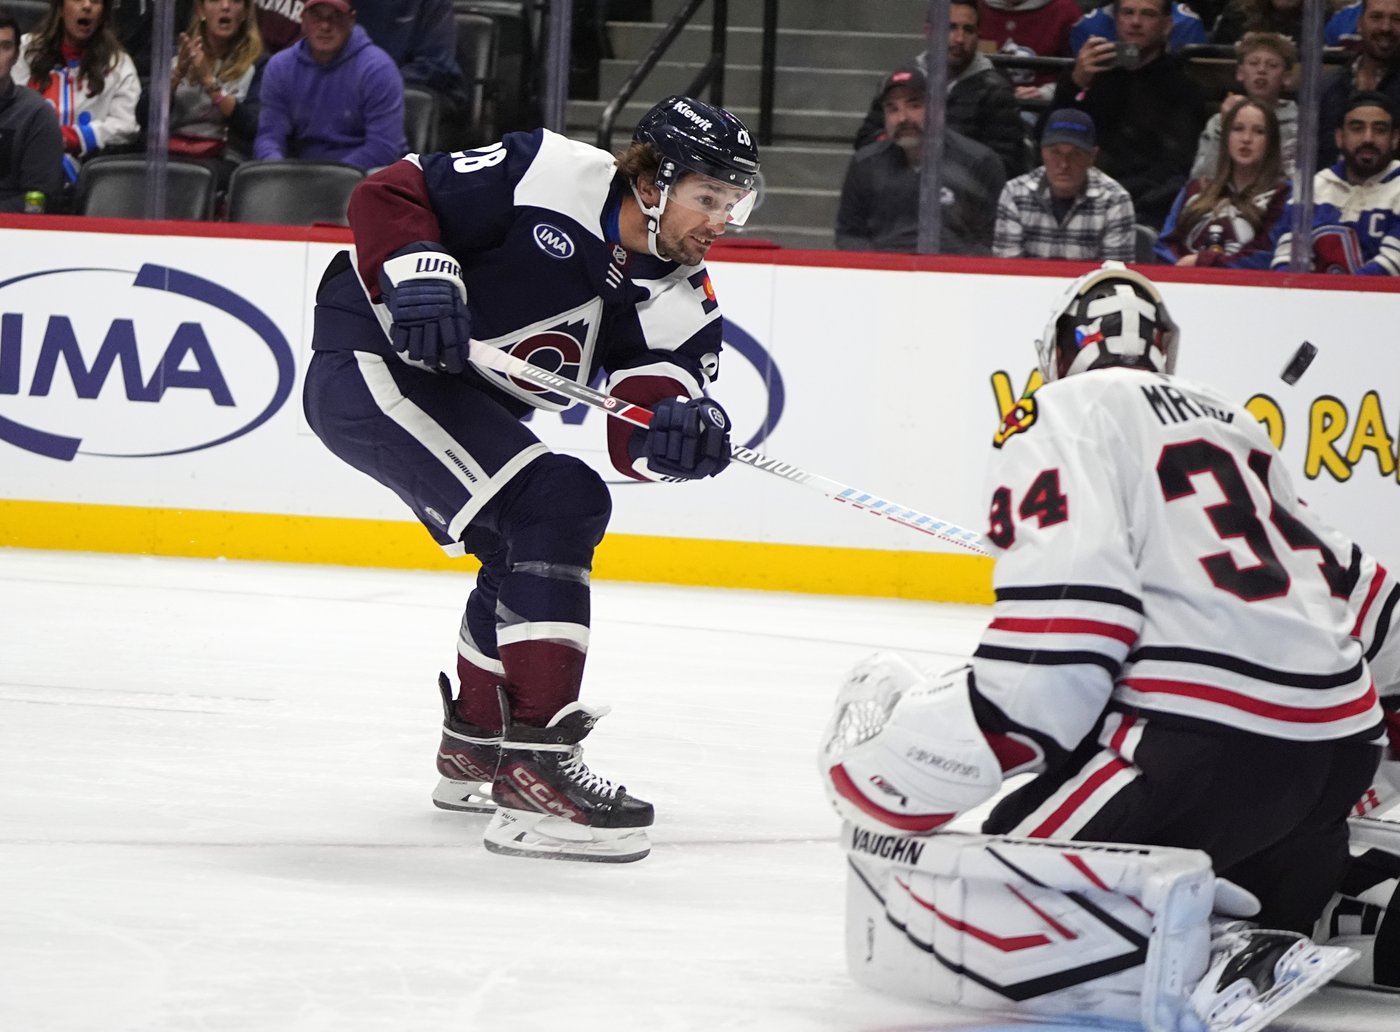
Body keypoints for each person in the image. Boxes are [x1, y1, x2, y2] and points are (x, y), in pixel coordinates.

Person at [820, 262, 1392, 999]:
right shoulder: (1238, 425)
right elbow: (1372, 599)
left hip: (1195, 750)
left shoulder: (1059, 410)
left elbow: (1068, 630)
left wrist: (923, 765)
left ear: (1059, 351)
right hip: (1336, 752)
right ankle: (1292, 900)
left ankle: (1191, 935)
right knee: (1277, 857)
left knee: (990, 888)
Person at [300, 95, 759, 864]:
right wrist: (420, 276)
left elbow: (638, 427)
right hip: (369, 365)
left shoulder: (681, 297)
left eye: (733, 202)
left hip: (459, 399)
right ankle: (535, 771)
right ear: (653, 182)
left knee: (537, 525)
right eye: (707, 197)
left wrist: (680, 435)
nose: (721, 220)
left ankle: (477, 744)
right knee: (556, 501)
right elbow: (387, 192)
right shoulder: (548, 173)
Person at [1050, 0, 1205, 229]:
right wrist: (1073, 84)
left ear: (1167, 25)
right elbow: (1049, 136)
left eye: (1147, 14)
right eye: (1127, 13)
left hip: (1147, 206)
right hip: (1082, 191)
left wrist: (1118, 197)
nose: (1135, 22)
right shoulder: (1092, 75)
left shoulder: (1183, 88)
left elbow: (1177, 166)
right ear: (1116, 20)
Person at [837, 66, 1005, 254]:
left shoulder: (979, 162)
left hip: (952, 275)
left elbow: (992, 240)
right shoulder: (865, 163)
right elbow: (848, 234)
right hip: (885, 273)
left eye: (914, 105)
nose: (903, 118)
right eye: (892, 109)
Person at [852, 0, 1026, 179]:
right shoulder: (899, 82)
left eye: (968, 30)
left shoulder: (996, 90)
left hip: (965, 197)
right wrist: (902, 145)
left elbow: (1005, 165)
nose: (959, 38)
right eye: (950, 27)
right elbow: (865, 142)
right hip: (899, 187)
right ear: (928, 31)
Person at [253, 0, 404, 170]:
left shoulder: (378, 69)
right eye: (316, 15)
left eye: (336, 16)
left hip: (363, 173)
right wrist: (276, 169)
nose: (325, 25)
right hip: (301, 174)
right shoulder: (279, 67)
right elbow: (269, 137)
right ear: (303, 20)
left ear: (351, 20)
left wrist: (331, 180)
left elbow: (383, 148)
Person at [13, 0, 141, 188]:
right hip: (22, 165)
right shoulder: (24, 51)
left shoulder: (118, 64)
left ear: (103, 13)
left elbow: (126, 126)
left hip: (83, 177)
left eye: (96, 1)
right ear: (61, 8)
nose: (87, 6)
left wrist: (74, 138)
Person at [1272, 90, 1400, 273]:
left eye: (1380, 130)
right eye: (1357, 128)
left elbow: (1390, 269)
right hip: (1313, 300)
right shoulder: (1312, 188)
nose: (1368, 138)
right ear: (1339, 137)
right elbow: (1286, 263)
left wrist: (1335, 298)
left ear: (1394, 139)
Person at [1157, 99, 1290, 266]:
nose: (1246, 139)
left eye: (1259, 131)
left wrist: (1203, 262)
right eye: (1238, 129)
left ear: (1271, 142)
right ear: (1226, 137)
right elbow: (1165, 245)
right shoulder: (1195, 189)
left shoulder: (1282, 195)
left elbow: (1266, 255)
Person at [993, 107, 1136, 260]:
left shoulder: (1115, 200)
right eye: (1055, 152)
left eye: (1075, 154)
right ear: (1042, 152)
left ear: (1092, 157)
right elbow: (1008, 271)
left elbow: (1115, 276)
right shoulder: (1015, 193)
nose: (1064, 164)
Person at [166, 0, 263, 182]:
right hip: (170, 153)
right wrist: (177, 74)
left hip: (224, 158)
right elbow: (144, 116)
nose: (225, 6)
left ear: (244, 13)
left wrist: (209, 82)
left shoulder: (259, 63)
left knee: (193, 179)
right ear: (200, 10)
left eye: (235, 1)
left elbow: (252, 126)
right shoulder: (177, 53)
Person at [1190, 31, 1298, 179]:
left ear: (1286, 77)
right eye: (1253, 63)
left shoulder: (1299, 123)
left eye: (1272, 65)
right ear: (1240, 72)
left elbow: (1296, 179)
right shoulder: (1218, 122)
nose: (1261, 70)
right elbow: (1202, 178)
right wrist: (1225, 126)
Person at [1317, 0, 1400, 168]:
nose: (1386, 27)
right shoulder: (1328, 87)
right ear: (1360, 24)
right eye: (1376, 17)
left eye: (1397, 19)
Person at [0, 9, 63, 211]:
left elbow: (39, 199)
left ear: (16, 55)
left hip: (14, 233)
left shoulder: (36, 114)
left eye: (5, 47)